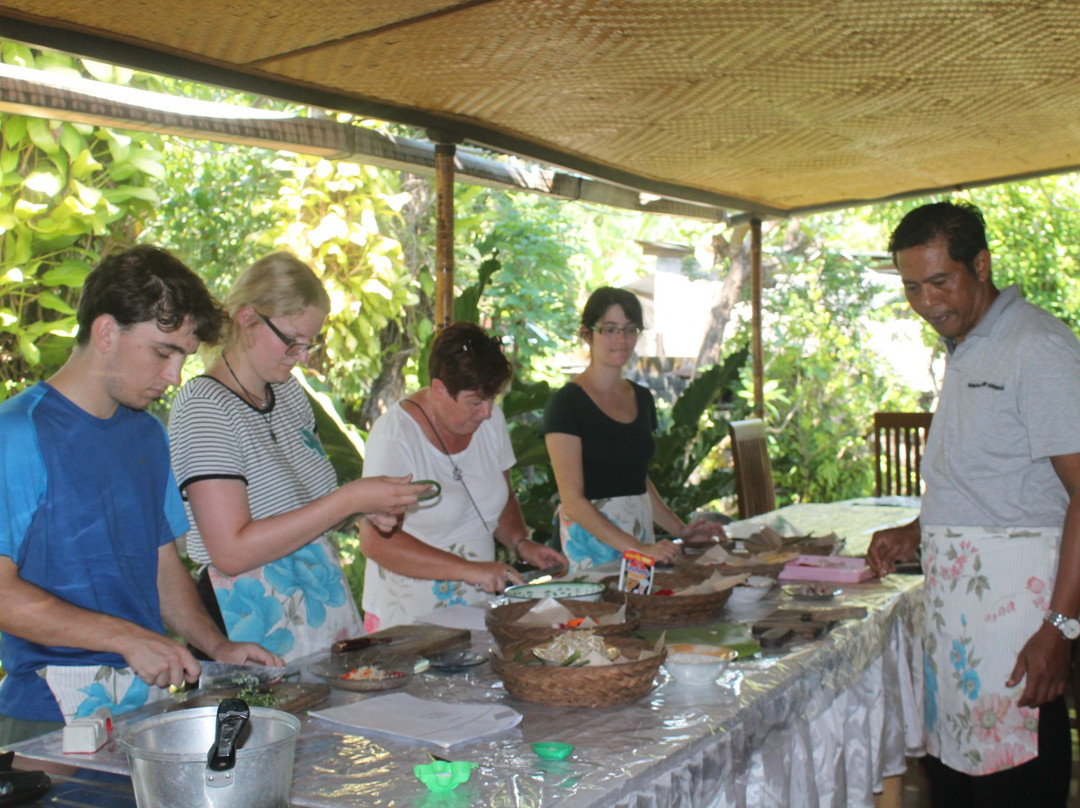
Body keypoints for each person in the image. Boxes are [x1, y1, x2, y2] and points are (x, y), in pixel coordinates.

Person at [0, 245, 283, 744]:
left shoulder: (148, 436)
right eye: (162, 351)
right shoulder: (18, 434)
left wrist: (216, 645)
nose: (174, 376)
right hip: (46, 714)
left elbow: (162, 572)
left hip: (145, 707)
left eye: (182, 357)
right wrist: (126, 637)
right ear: (106, 332)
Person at [865, 201, 1080, 808]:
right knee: (958, 782)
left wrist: (1061, 628)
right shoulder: (966, 345)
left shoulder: (1036, 345)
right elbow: (987, 475)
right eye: (912, 287)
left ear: (980, 265)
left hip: (1019, 624)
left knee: (1015, 781)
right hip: (959, 625)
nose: (927, 302)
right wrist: (918, 528)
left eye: (940, 281)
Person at [168, 252, 427, 661]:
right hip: (247, 614)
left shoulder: (288, 393)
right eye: (291, 341)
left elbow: (304, 509)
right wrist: (349, 500)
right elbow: (230, 552)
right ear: (247, 319)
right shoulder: (204, 406)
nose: (301, 355)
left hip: (316, 600)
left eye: (309, 343)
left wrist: (364, 510)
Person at [358, 322, 567, 630]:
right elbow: (375, 542)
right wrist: (469, 570)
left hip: (476, 609)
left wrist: (521, 542)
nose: (487, 412)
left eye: (491, 399)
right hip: (406, 618)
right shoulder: (395, 436)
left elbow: (500, 494)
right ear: (439, 389)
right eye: (475, 402)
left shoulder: (488, 418)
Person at [542, 287, 718, 572]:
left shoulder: (642, 398)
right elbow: (572, 501)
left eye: (630, 329)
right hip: (588, 543)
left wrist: (680, 530)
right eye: (610, 329)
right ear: (587, 334)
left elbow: (637, 481)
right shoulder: (566, 403)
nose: (622, 340)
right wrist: (638, 549)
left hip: (639, 536)